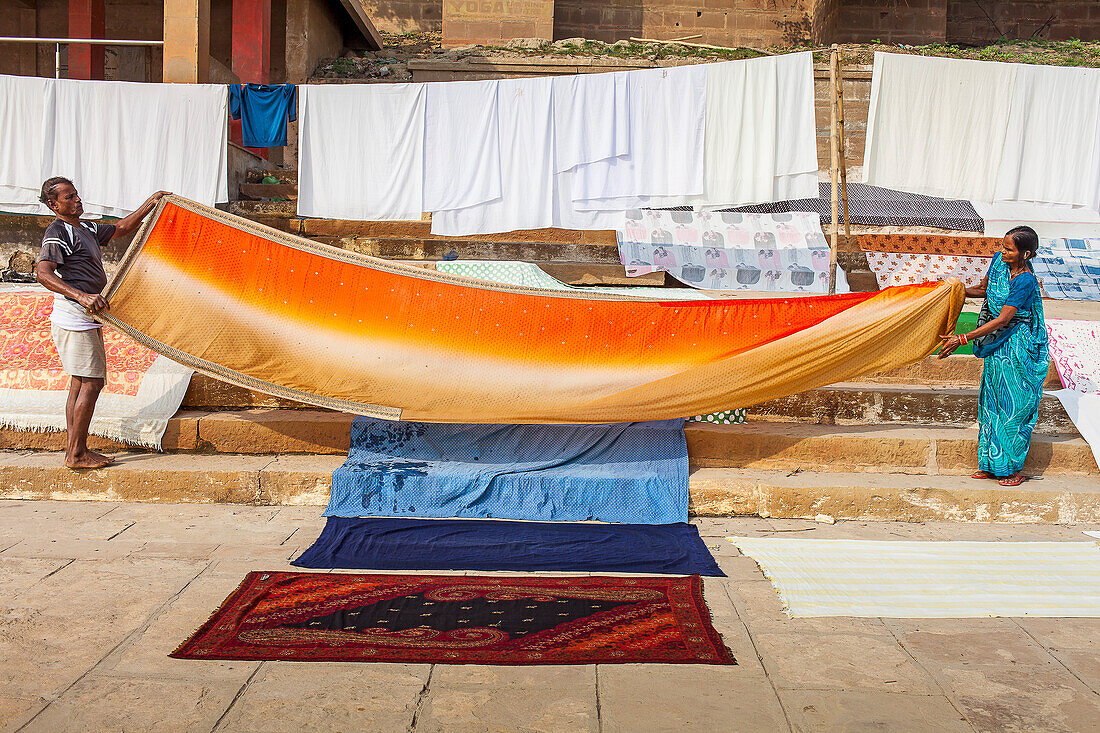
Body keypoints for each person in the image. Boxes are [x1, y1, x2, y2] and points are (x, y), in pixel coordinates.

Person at [34, 177, 169, 469]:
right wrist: (81, 296)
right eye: (68, 198)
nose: (77, 200)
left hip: (86, 319)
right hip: (75, 318)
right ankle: (76, 454)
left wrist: (151, 202)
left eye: (76, 195)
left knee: (80, 383)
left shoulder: (87, 229)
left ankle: (75, 449)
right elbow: (44, 274)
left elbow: (120, 229)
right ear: (54, 205)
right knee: (91, 383)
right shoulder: (57, 232)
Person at [938, 226, 1048, 487]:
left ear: (1026, 253)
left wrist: (963, 338)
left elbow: (1004, 319)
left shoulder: (1025, 280)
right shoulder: (999, 262)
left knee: (1013, 407)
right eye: (1002, 245)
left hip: (1017, 346)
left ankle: (1012, 469)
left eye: (1009, 249)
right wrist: (954, 291)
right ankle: (990, 464)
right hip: (998, 346)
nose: (1002, 251)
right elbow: (984, 290)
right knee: (992, 402)